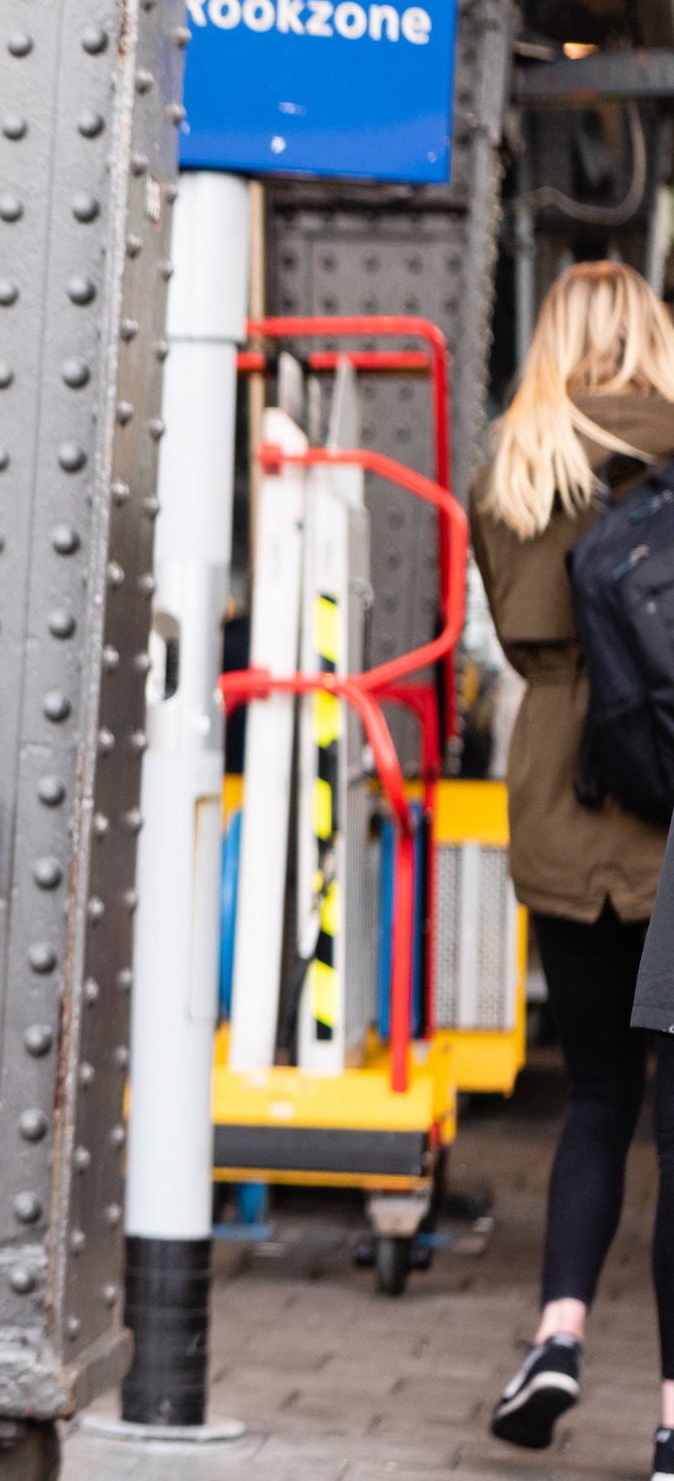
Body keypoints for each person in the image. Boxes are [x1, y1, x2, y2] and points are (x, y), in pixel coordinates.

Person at [472, 261, 674, 1468]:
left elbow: (513, 635)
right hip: (668, 813)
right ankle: (668, 1422)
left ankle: (555, 1334)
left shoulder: (510, 468)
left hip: (559, 795)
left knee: (594, 1093)